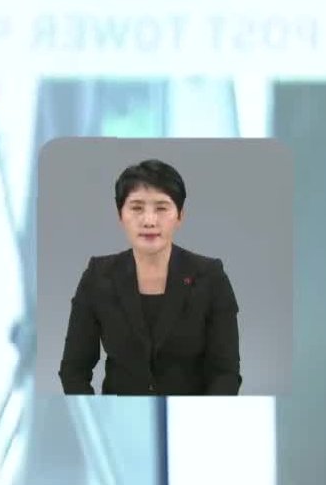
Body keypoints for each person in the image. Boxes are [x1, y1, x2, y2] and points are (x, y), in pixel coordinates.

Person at [57, 158, 242, 396]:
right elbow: (73, 370)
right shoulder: (98, 276)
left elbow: (225, 373)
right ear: (120, 215)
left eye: (162, 208)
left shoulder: (210, 276)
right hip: (120, 414)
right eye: (136, 208)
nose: (149, 221)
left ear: (180, 215)